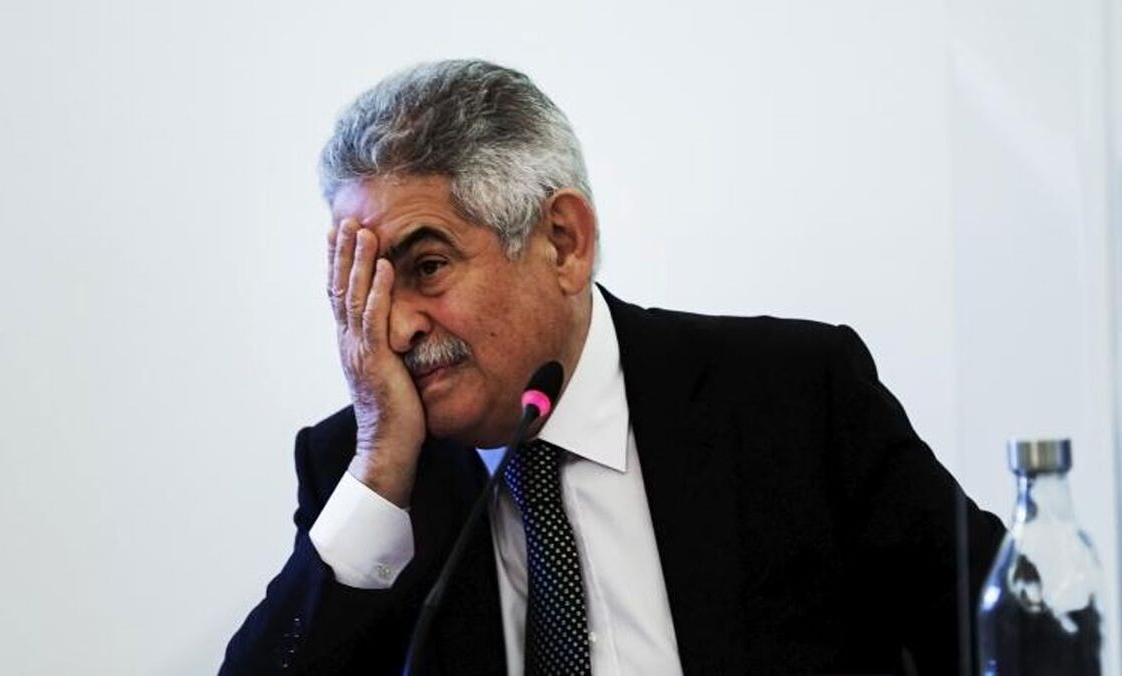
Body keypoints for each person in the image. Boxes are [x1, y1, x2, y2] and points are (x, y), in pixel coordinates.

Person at [220, 59, 1004, 675]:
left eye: (427, 268)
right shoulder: (368, 472)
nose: (392, 327)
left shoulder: (792, 399)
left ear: (563, 241)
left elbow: (1013, 637)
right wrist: (379, 469)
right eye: (368, 290)